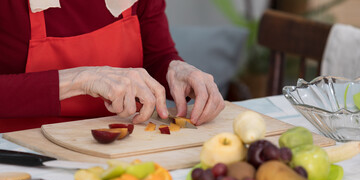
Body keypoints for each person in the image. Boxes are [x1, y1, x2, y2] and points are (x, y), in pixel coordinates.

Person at [0, 0, 225, 133]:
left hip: (125, 142)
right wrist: (83, 79)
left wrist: (176, 70)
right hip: (23, 149)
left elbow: (157, 56)